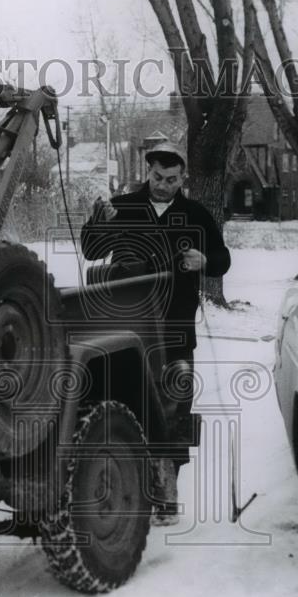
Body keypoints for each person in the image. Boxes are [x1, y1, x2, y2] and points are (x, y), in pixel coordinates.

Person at [80, 142, 231, 525]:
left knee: (175, 409)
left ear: (183, 178)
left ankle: (166, 491)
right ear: (148, 173)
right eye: (157, 177)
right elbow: (92, 250)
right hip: (125, 330)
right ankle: (126, 489)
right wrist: (97, 220)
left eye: (171, 179)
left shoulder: (195, 214)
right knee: (128, 406)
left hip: (176, 327)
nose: (163, 185)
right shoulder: (125, 207)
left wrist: (205, 261)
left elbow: (223, 260)